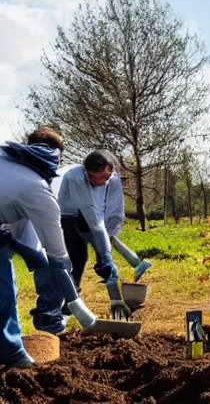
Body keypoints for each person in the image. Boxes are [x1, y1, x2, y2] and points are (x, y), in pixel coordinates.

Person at [0, 127, 97, 367]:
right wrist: (73, 300)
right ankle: (11, 353)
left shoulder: (6, 158)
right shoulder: (38, 190)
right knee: (4, 289)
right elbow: (58, 257)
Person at [57, 150, 150, 317]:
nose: (99, 182)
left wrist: (109, 235)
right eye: (93, 177)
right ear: (86, 172)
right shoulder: (75, 178)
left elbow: (114, 209)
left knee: (105, 259)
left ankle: (116, 300)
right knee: (78, 258)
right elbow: (91, 215)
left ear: (110, 171)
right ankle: (70, 301)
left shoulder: (112, 179)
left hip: (96, 216)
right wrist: (105, 254)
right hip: (70, 216)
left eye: (104, 178)